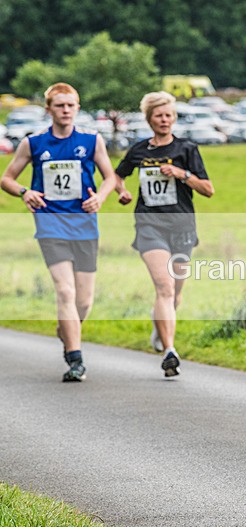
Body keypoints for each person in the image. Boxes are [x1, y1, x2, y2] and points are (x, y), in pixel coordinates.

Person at [0, 82, 119, 382]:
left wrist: (100, 198)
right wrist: (25, 192)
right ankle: (75, 359)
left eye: (70, 105)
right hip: (50, 223)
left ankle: (66, 328)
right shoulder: (34, 143)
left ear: (77, 108)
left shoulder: (92, 141)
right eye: (59, 105)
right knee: (65, 290)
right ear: (49, 109)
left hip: (84, 226)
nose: (65, 110)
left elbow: (110, 178)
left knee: (84, 302)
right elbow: (7, 179)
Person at [115, 91, 215, 377]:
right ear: (149, 119)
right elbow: (118, 175)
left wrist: (181, 174)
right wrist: (122, 191)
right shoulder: (138, 151)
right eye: (159, 115)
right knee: (164, 286)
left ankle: (159, 325)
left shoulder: (187, 149)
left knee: (176, 293)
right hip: (149, 225)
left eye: (169, 115)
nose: (164, 120)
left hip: (182, 226)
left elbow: (208, 189)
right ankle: (170, 350)